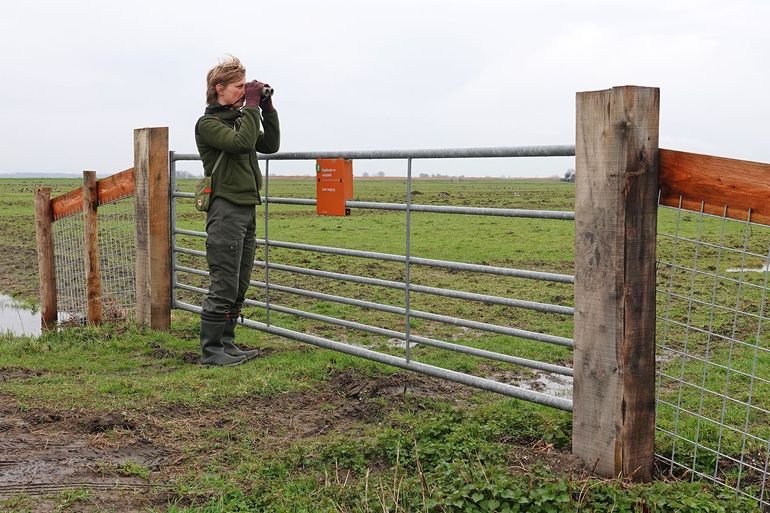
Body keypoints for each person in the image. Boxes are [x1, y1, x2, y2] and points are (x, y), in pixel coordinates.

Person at [195, 56, 280, 365]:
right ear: (220, 89)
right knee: (224, 283)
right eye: (239, 87)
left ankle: (227, 342)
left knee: (240, 282)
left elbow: (269, 144)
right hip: (226, 210)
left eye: (247, 87)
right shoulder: (209, 124)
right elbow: (243, 144)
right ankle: (211, 350)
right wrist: (253, 107)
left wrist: (267, 109)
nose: (245, 92)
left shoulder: (237, 119)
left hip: (245, 208)